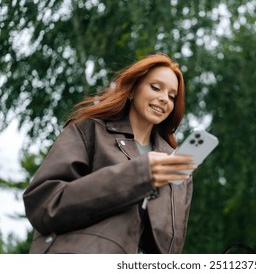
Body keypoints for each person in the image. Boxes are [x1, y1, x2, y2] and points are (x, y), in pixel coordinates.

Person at [23, 53, 197, 254]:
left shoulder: (174, 165)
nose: (163, 99)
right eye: (156, 88)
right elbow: (45, 204)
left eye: (171, 96)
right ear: (132, 90)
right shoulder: (89, 132)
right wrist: (140, 174)